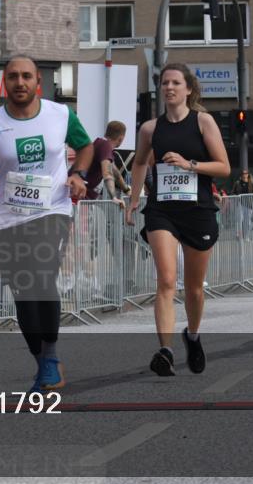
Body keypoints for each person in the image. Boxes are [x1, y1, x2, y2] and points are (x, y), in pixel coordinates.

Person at [0, 55, 92, 392]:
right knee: (23, 294)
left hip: (52, 210)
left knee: (42, 277)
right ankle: (43, 360)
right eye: (13, 77)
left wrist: (78, 174)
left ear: (38, 83)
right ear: (5, 82)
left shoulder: (60, 115)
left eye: (26, 77)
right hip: (8, 216)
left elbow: (85, 146)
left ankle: (50, 354)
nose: (20, 83)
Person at [125, 62, 230, 376]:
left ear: (188, 89)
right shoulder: (150, 129)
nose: (169, 88)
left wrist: (190, 164)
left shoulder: (203, 122)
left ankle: (193, 335)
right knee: (167, 281)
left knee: (195, 288)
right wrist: (133, 199)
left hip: (197, 210)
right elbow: (140, 163)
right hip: (162, 210)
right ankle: (166, 350)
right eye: (165, 83)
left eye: (175, 83)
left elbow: (224, 167)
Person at [84, 120, 128, 205]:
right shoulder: (105, 146)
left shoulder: (100, 143)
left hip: (85, 197)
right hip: (82, 198)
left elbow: (116, 173)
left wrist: (127, 190)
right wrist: (114, 198)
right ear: (121, 138)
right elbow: (107, 174)